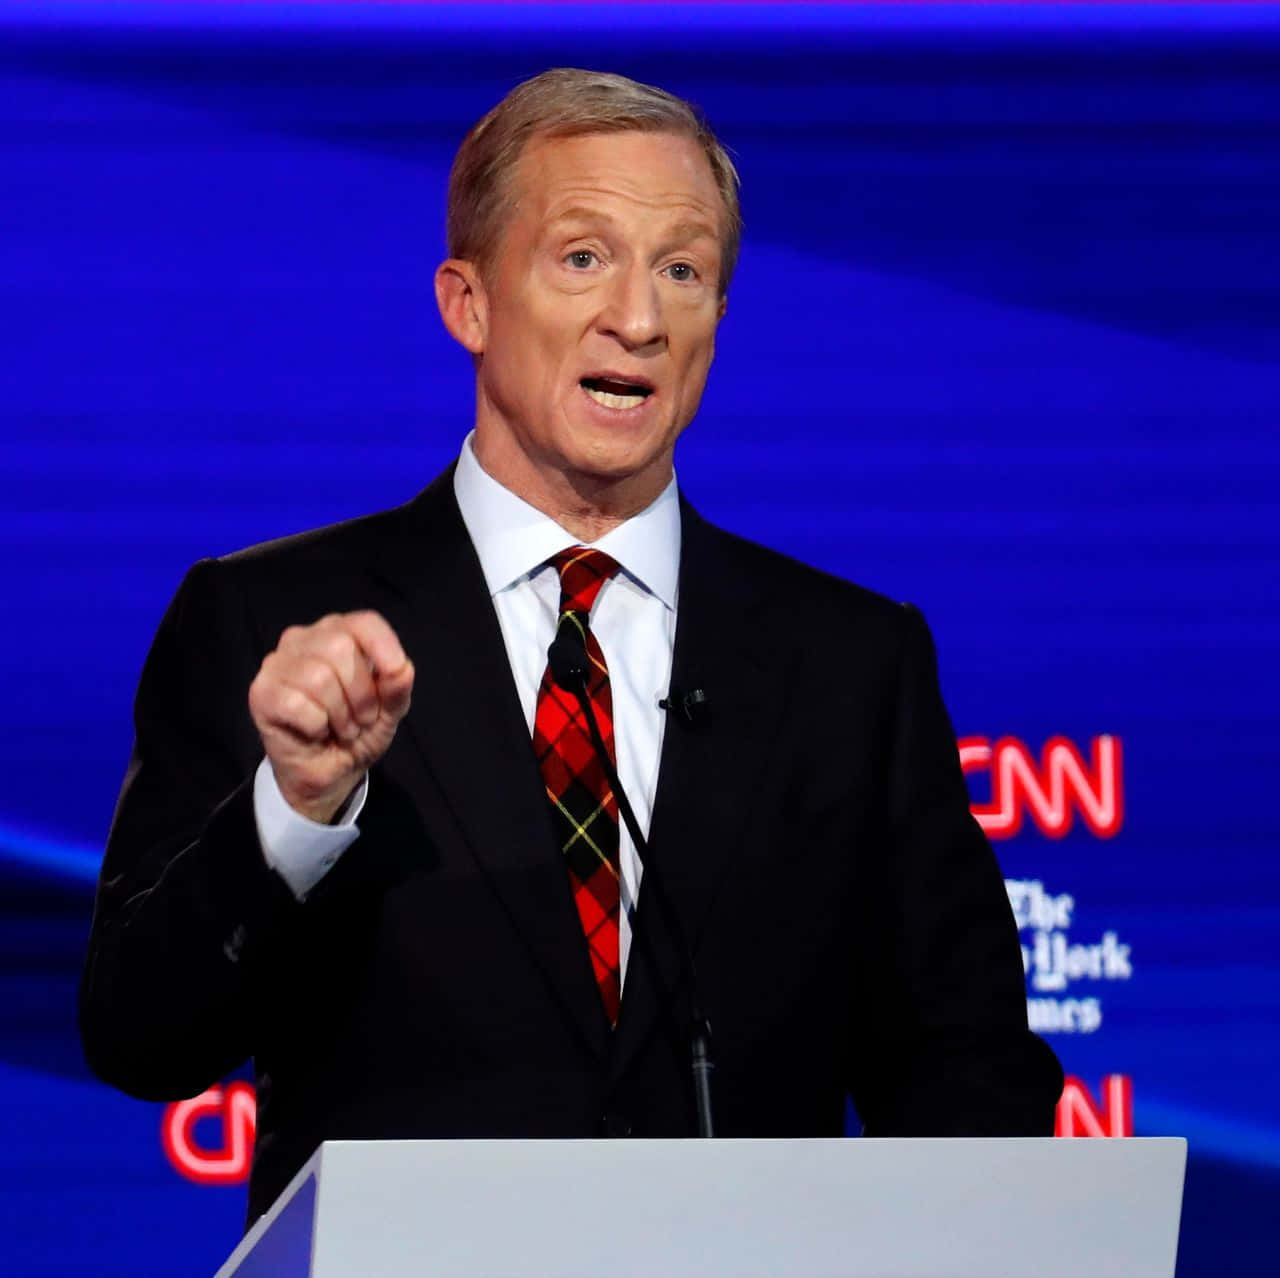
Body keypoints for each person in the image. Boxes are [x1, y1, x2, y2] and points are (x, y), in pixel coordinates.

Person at [80, 68, 1062, 1225]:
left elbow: (967, 1069)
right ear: (468, 303)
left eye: (682, 271)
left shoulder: (851, 663)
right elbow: (139, 1033)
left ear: (718, 319)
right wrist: (294, 810)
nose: (637, 319)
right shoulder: (265, 620)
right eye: (583, 257)